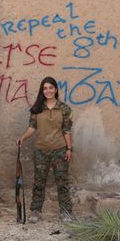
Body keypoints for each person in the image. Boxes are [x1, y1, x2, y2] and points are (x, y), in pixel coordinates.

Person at [16, 76, 73, 223]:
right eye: (45, 88)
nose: (48, 90)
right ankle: (36, 211)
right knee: (39, 182)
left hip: (60, 150)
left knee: (62, 182)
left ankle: (65, 212)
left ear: (55, 89)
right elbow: (32, 128)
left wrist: (69, 149)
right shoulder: (37, 109)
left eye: (50, 88)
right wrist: (23, 138)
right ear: (42, 90)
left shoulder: (64, 108)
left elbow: (67, 130)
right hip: (41, 150)